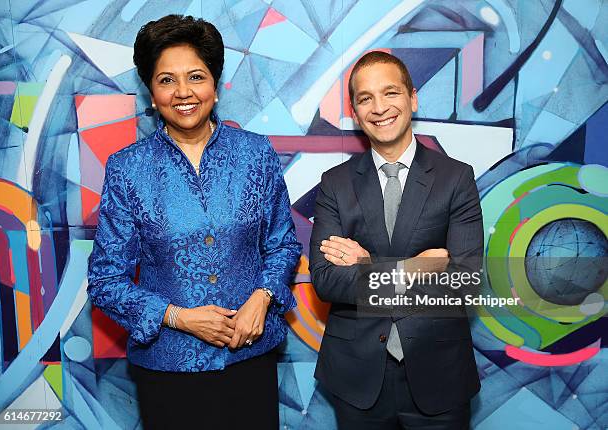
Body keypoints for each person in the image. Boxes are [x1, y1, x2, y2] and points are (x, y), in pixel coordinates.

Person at [87, 15, 301, 429]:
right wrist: (178, 317)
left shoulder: (255, 154)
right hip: (168, 369)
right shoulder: (128, 169)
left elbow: (283, 246)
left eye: (196, 77)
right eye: (167, 80)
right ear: (151, 92)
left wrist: (263, 297)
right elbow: (105, 281)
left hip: (249, 358)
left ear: (215, 87)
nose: (183, 92)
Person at [310, 51, 483, 429]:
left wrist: (367, 268)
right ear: (354, 112)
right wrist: (413, 268)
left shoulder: (456, 178)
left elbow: (465, 283)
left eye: (390, 93)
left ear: (412, 98)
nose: (379, 108)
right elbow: (326, 281)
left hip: (439, 374)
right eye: (365, 98)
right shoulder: (335, 185)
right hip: (357, 378)